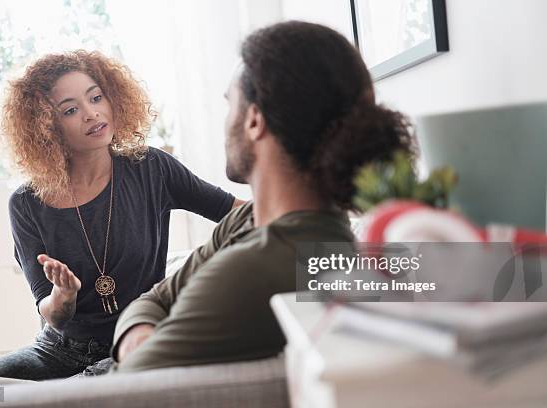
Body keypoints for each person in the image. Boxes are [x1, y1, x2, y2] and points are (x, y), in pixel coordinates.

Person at [111, 20, 415, 372]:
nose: (225, 124)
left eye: (231, 105)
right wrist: (140, 327)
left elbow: (129, 383)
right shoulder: (250, 219)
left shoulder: (257, 268)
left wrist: (139, 333)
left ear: (254, 120)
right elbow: (154, 297)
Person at [0, 50, 241, 380]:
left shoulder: (152, 168)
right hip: (58, 350)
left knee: (79, 394)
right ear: (47, 128)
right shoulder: (26, 204)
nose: (91, 113)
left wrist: (314, 248)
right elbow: (53, 316)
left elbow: (237, 214)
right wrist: (64, 294)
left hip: (134, 343)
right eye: (71, 110)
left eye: (96, 97)